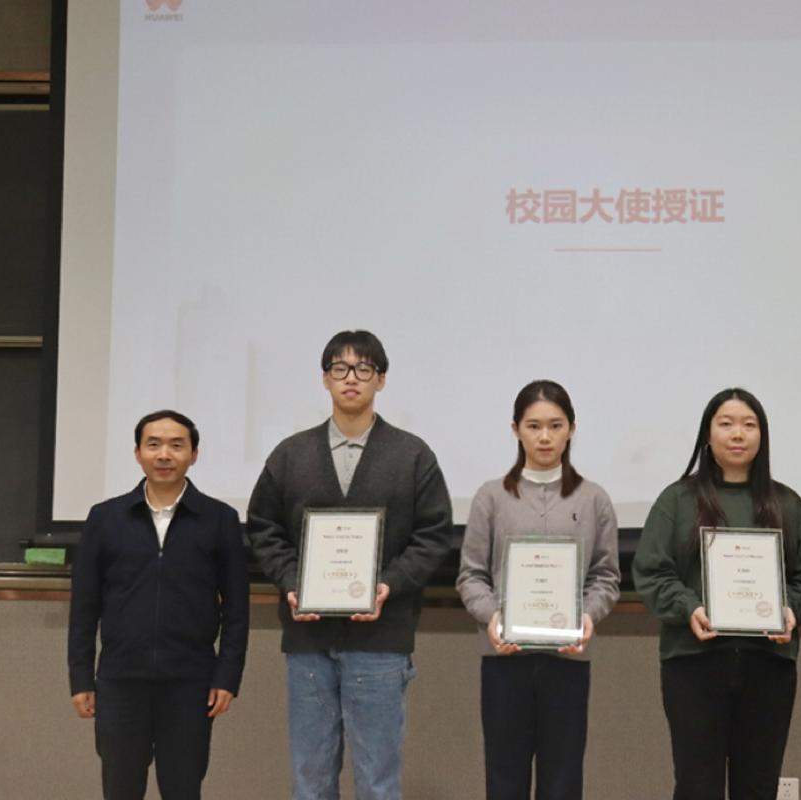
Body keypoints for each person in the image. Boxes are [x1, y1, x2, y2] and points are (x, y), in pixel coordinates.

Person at [247, 330, 453, 800]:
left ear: (381, 380)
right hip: (309, 641)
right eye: (339, 368)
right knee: (311, 781)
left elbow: (434, 534)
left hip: (381, 641)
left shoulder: (412, 454)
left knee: (378, 782)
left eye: (363, 368)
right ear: (325, 379)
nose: (351, 378)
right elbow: (263, 527)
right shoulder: (290, 454)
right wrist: (293, 582)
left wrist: (388, 584)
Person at [632, 388, 801, 800]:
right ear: (708, 434)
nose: (738, 434)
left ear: (762, 435)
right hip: (693, 665)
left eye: (749, 424)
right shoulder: (676, 500)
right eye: (726, 424)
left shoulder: (786, 503)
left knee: (758, 786)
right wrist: (689, 608)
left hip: (768, 666)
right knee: (696, 786)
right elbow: (652, 570)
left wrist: (790, 610)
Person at [68, 410, 250, 800]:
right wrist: (81, 677)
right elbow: (84, 606)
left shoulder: (219, 519)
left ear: (194, 455)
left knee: (183, 789)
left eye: (176, 445)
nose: (164, 454)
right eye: (153, 445)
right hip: (120, 680)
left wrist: (227, 676)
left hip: (191, 682)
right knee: (120, 789)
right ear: (137, 453)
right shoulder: (106, 518)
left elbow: (237, 609)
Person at [456, 380, 621, 800]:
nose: (545, 436)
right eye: (533, 426)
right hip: (504, 659)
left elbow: (606, 576)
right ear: (515, 430)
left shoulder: (594, 499)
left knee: (563, 781)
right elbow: (471, 575)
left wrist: (587, 616)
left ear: (572, 429)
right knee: (504, 780)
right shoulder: (491, 497)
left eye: (555, 425)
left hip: (568, 659)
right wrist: (493, 617)